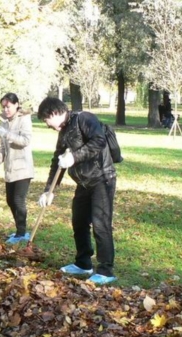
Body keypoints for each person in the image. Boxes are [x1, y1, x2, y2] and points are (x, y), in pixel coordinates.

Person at [36, 97, 117, 285]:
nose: (47, 125)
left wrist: (74, 157)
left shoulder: (85, 119)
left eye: (46, 120)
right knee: (79, 222)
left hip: (102, 179)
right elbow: (58, 160)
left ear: (54, 113)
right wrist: (49, 190)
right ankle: (83, 263)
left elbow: (99, 142)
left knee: (101, 224)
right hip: (84, 183)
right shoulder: (63, 131)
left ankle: (106, 271)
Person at [0, 93, 34, 244]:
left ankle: (22, 233)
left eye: (8, 106)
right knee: (10, 200)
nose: (6, 109)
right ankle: (19, 230)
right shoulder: (4, 122)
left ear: (16, 105)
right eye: (3, 106)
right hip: (10, 168)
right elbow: (2, 147)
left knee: (18, 200)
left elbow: (25, 140)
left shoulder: (24, 119)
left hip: (23, 167)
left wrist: (8, 134)